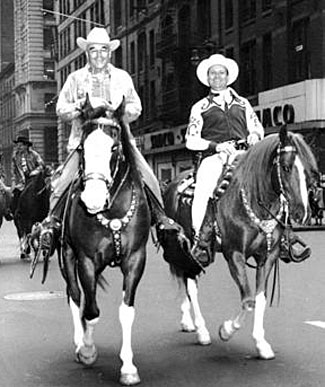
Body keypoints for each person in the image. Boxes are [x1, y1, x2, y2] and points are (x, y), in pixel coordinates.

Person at [35, 27, 181, 256]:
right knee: (63, 181)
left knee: (149, 176)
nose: (99, 55)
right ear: (87, 53)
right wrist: (79, 108)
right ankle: (51, 225)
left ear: (109, 53)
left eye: (103, 50)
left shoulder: (122, 77)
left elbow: (136, 106)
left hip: (119, 141)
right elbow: (60, 108)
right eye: (94, 51)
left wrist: (119, 112)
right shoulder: (75, 79)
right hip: (84, 143)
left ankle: (163, 221)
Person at [186, 53, 309, 264]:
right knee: (203, 188)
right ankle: (201, 240)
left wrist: (254, 135)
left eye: (221, 73)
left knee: (272, 181)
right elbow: (191, 139)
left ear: (228, 76)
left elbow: (256, 128)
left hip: (244, 154)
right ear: (208, 78)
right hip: (215, 156)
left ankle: (285, 236)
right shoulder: (200, 107)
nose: (217, 77)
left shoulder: (242, 103)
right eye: (213, 73)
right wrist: (215, 146)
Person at [10, 135, 45, 216]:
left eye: (21, 145)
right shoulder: (15, 156)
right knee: (15, 194)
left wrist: (34, 172)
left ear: (26, 146)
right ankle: (14, 212)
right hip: (23, 182)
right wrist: (13, 181)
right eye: (18, 145)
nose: (19, 147)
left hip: (34, 180)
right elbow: (13, 170)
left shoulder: (34, 154)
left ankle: (45, 211)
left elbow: (41, 165)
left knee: (43, 193)